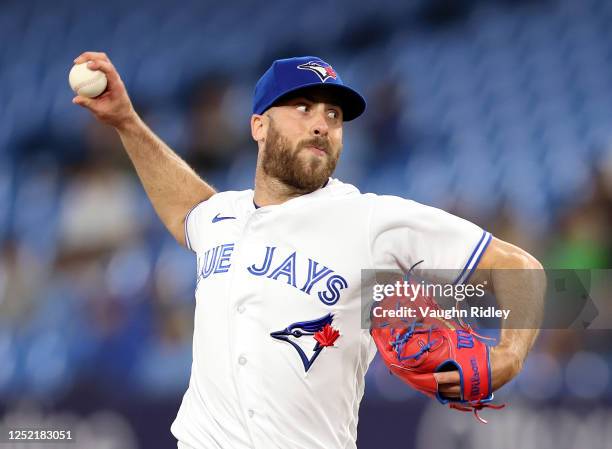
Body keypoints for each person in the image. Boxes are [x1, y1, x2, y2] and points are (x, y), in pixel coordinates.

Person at [72, 52, 544, 449]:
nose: (322, 124)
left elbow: (525, 273)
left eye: (333, 116)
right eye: (303, 107)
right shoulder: (220, 217)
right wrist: (126, 122)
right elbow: (185, 210)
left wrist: (510, 354)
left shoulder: (370, 220)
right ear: (259, 125)